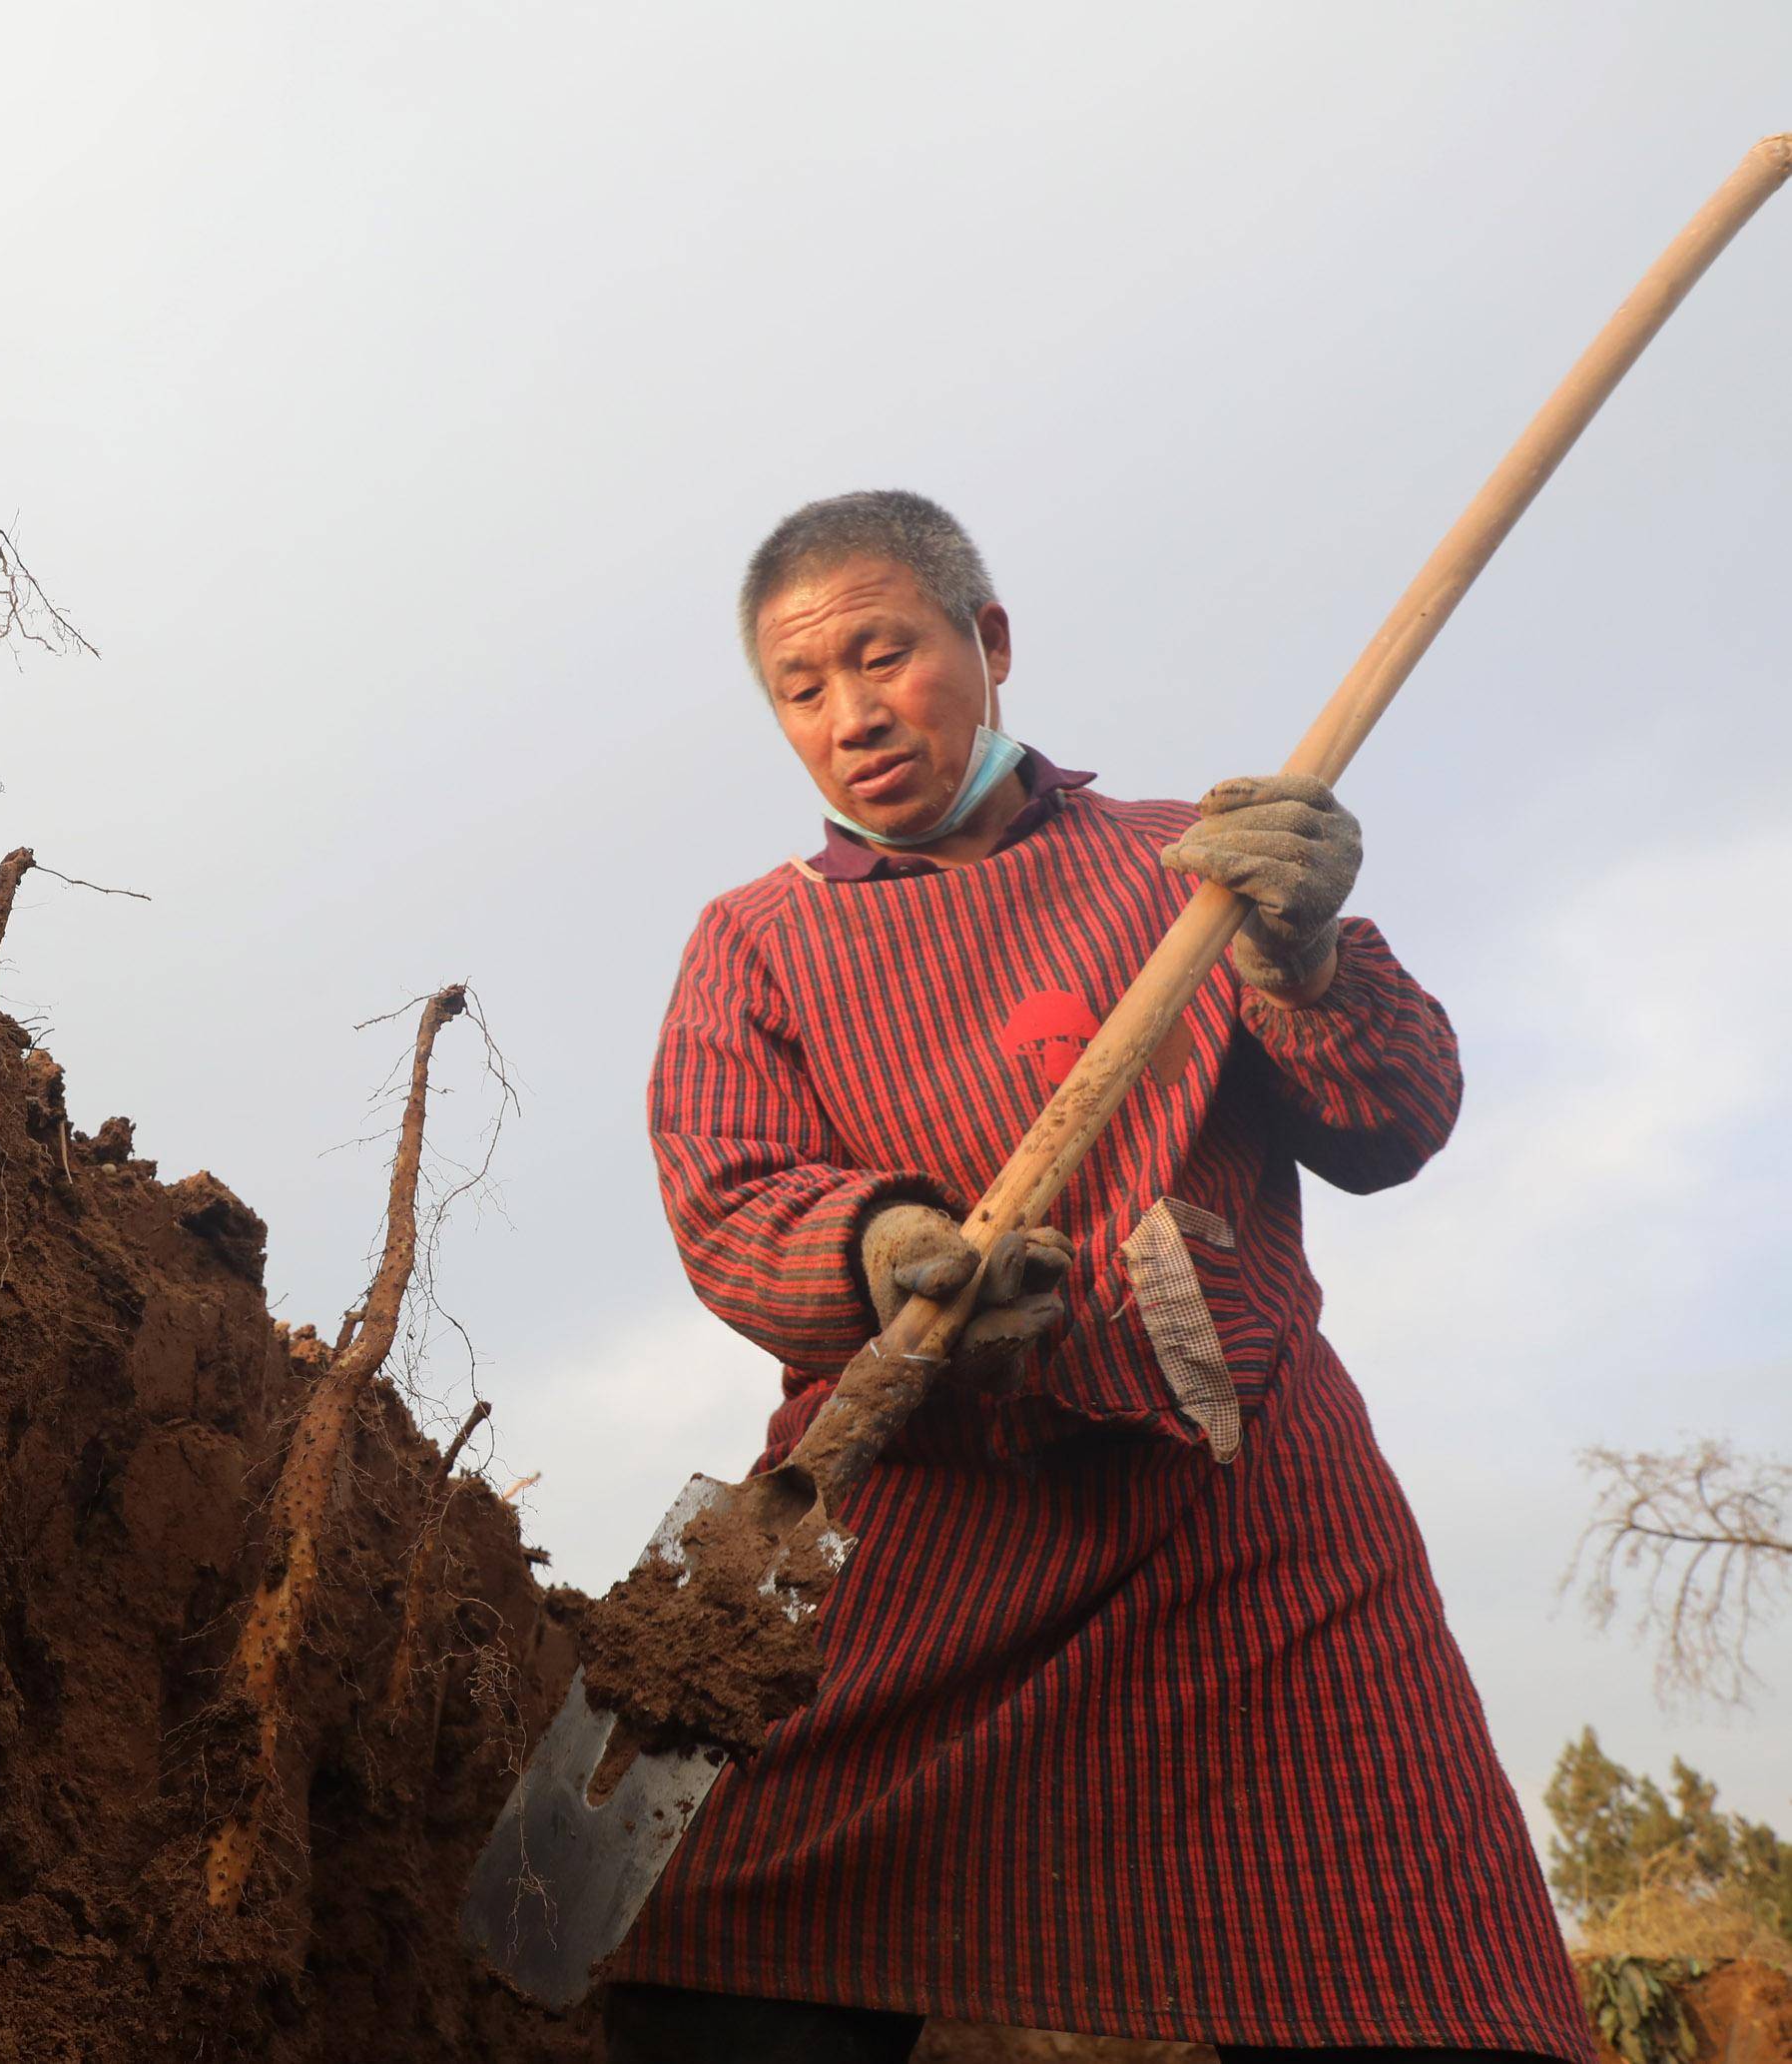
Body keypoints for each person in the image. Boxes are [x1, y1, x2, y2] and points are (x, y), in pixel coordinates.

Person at [603, 491, 1592, 2064]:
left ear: (986, 646)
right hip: (924, 1509)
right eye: (804, 688)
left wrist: (1311, 959)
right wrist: (878, 1252)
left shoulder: (1193, 872)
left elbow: (1395, 1120)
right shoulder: (756, 943)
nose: (851, 713)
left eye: (885, 656)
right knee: (713, 1955)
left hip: (1255, 1516)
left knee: (1419, 1986)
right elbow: (729, 1198)